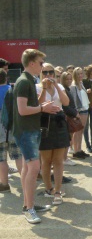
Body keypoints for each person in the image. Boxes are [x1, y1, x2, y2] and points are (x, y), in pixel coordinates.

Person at [13, 49, 60, 223]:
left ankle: (29, 204)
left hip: (28, 130)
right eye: (41, 63)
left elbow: (32, 104)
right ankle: (29, 208)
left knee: (27, 168)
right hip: (26, 131)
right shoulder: (24, 82)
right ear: (32, 63)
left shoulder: (28, 81)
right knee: (33, 169)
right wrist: (43, 108)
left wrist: (43, 97)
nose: (42, 67)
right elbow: (22, 110)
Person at [36, 63, 70, 206]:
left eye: (51, 72)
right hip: (44, 123)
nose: (48, 75)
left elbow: (66, 102)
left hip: (59, 122)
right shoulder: (37, 87)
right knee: (46, 160)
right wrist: (44, 88)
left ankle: (57, 191)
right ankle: (48, 188)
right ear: (41, 74)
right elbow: (37, 105)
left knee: (58, 159)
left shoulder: (60, 87)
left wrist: (56, 86)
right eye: (45, 72)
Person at [0, 68, 23, 193]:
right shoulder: (12, 91)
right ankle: (25, 181)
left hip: (0, 131)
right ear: (6, 78)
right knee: (18, 157)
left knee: (1, 159)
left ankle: (4, 184)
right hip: (14, 128)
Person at [60, 72, 78, 167]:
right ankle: (64, 158)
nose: (69, 81)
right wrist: (75, 113)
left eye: (70, 79)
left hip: (70, 115)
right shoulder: (64, 90)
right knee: (67, 139)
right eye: (67, 79)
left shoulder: (68, 89)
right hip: (67, 116)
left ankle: (65, 157)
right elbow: (65, 106)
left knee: (69, 138)